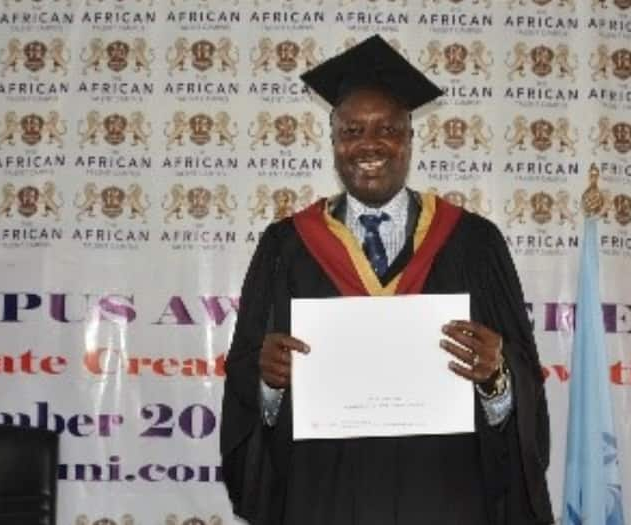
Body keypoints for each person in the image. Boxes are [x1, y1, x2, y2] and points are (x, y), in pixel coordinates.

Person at [221, 35, 553, 525]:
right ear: (333, 140)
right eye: (352, 130)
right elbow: (250, 398)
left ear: (411, 139)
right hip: (324, 499)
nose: (369, 144)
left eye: (387, 129)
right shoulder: (285, 247)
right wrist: (267, 382)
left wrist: (497, 379)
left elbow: (520, 399)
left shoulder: (473, 244)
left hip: (443, 499)